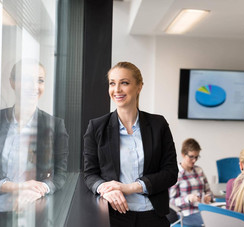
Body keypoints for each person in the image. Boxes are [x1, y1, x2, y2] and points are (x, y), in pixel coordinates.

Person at [83, 61, 178, 227]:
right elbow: (90, 174)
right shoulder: (96, 127)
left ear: (139, 86)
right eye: (112, 83)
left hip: (153, 215)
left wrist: (130, 188)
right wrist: (104, 188)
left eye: (124, 83)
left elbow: (170, 172)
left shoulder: (158, 124)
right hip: (114, 216)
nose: (117, 90)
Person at [0, 60, 69, 222]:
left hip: (33, 212)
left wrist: (39, 189)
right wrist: (20, 187)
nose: (34, 87)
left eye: (40, 80)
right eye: (27, 80)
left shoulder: (55, 125)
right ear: (12, 82)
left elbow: (61, 174)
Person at [169, 138, 213, 227]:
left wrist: (209, 197)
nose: (194, 160)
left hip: (203, 210)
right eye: (191, 156)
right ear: (183, 154)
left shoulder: (199, 170)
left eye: (196, 157)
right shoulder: (175, 173)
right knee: (214, 222)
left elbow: (209, 191)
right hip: (187, 214)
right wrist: (187, 199)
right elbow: (171, 202)